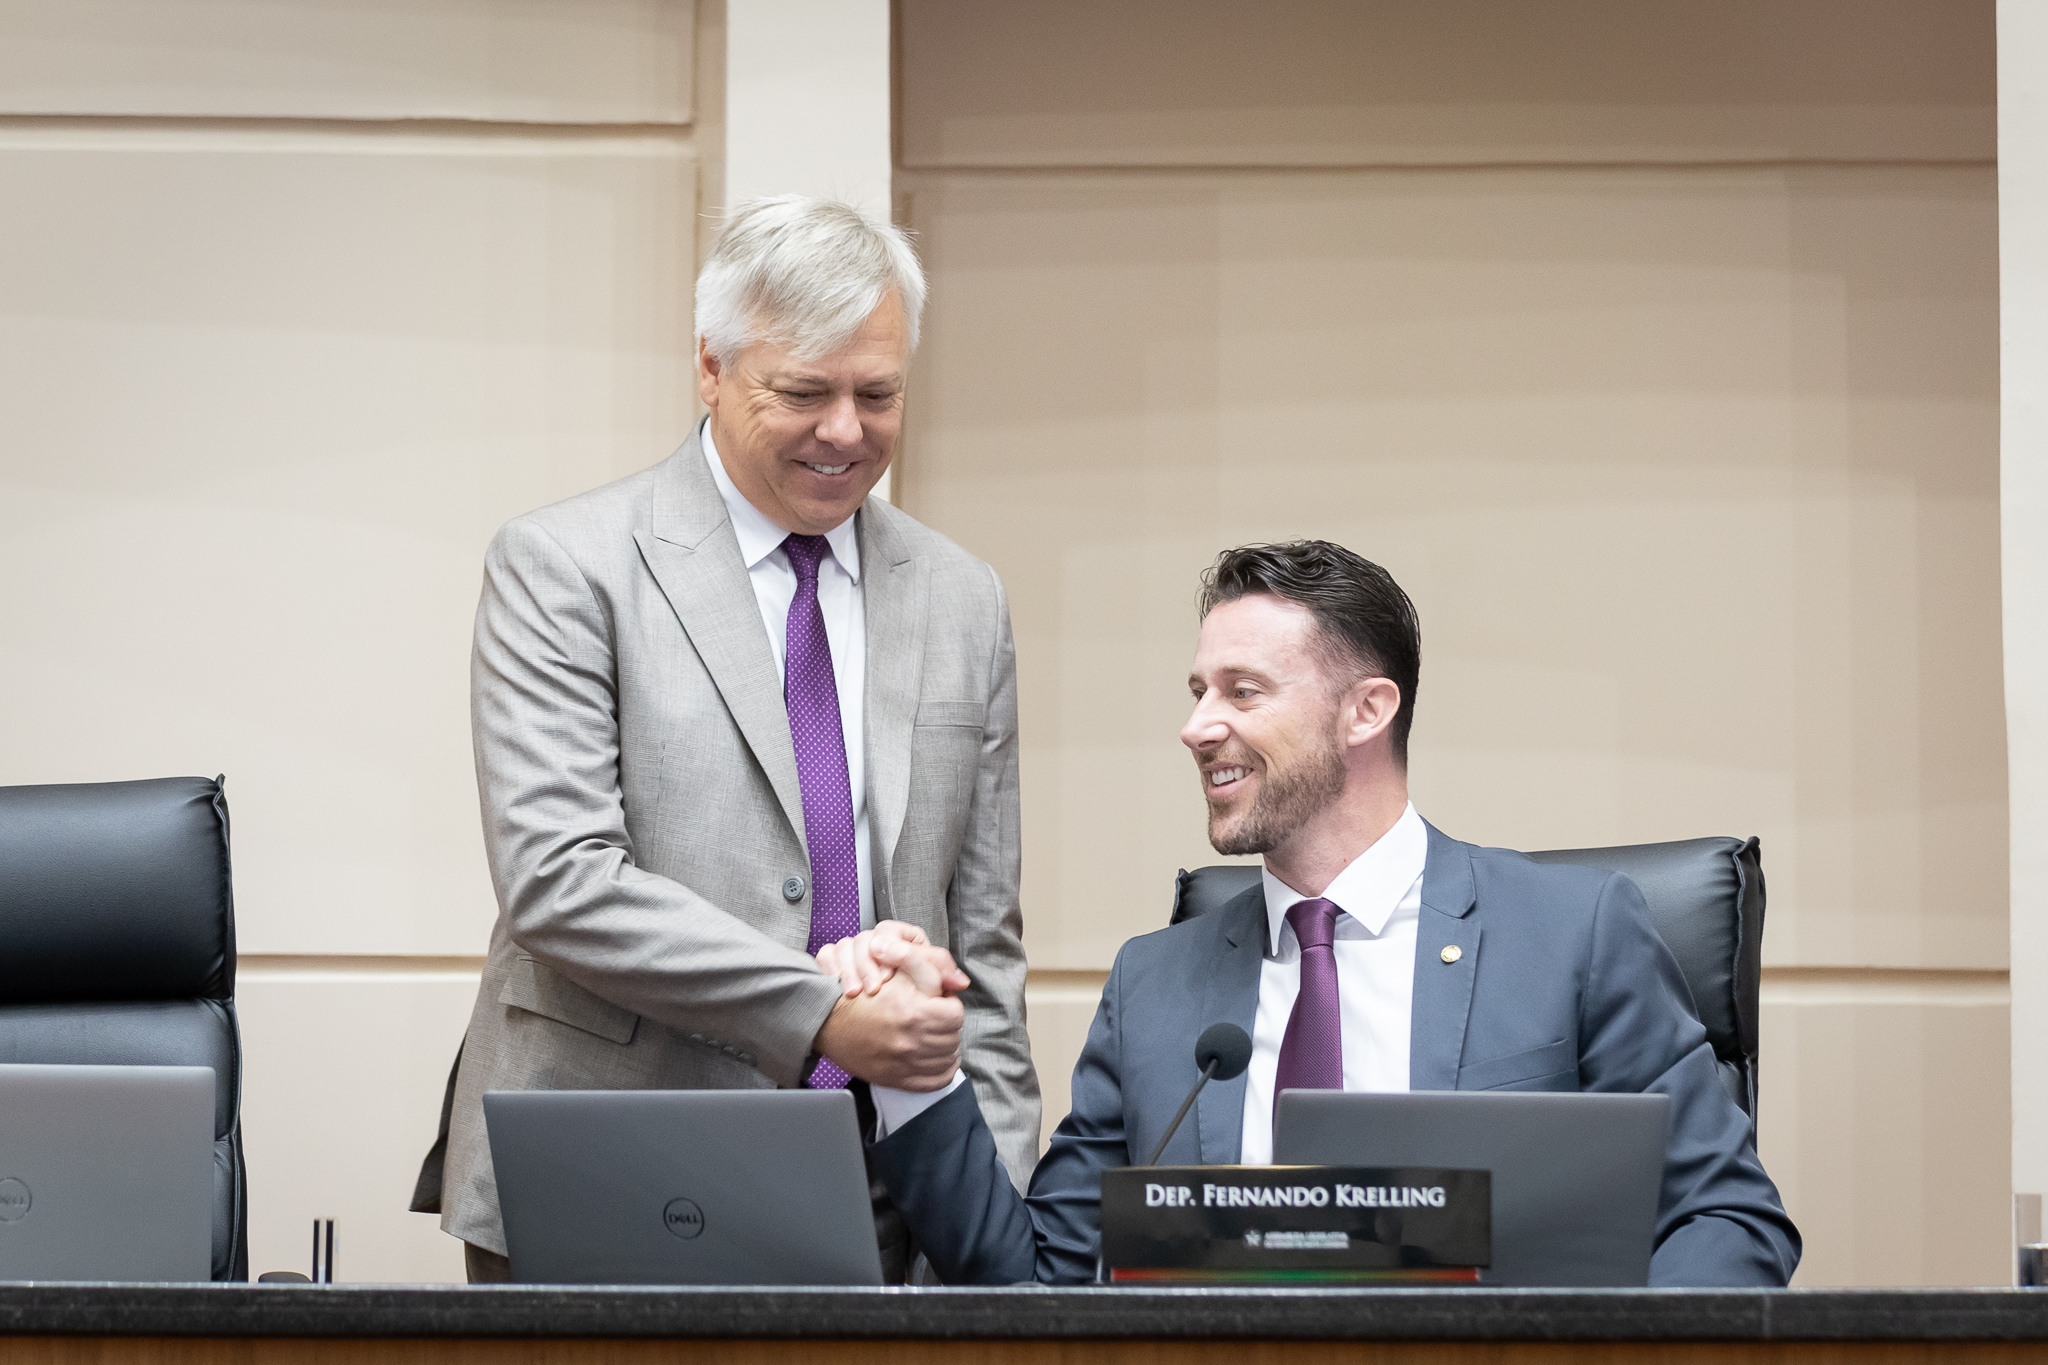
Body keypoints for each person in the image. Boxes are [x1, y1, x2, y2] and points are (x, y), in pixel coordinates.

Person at [821, 540, 1800, 1287]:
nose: (1196, 726)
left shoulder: (1572, 935)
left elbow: (1727, 1218)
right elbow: (1042, 1280)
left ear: (1365, 710)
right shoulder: (1156, 987)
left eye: (1242, 691)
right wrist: (917, 1078)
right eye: (1197, 691)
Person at [413, 196, 1040, 1282]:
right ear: (710, 366)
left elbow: (982, 943)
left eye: (878, 394)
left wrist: (997, 1220)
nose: (844, 431)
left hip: (884, 1189)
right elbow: (560, 881)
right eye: (803, 392)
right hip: (610, 1167)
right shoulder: (565, 566)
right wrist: (821, 1015)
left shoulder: (962, 597)